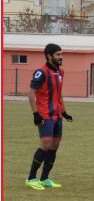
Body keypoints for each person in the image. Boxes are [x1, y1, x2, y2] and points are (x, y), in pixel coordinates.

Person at [26, 43, 71, 190]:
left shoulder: (61, 72)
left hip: (57, 115)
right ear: (49, 56)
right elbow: (31, 93)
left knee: (54, 146)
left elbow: (59, 93)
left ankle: (44, 178)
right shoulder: (41, 72)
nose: (61, 57)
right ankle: (31, 178)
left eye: (61, 54)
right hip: (45, 115)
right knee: (45, 144)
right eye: (58, 54)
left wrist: (64, 111)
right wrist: (35, 114)